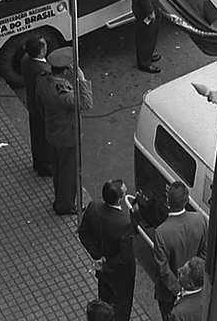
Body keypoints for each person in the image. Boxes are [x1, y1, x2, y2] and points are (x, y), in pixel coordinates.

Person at [37, 46, 93, 215]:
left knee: (58, 170)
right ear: (67, 70)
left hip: (52, 132)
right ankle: (66, 205)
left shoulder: (42, 81)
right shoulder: (63, 94)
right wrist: (82, 80)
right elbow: (86, 104)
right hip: (68, 138)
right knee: (69, 174)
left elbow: (39, 105)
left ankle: (60, 199)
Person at [78, 180, 135, 321]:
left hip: (104, 270)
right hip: (120, 275)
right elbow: (126, 258)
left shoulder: (94, 207)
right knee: (121, 305)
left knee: (104, 297)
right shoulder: (124, 224)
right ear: (120, 199)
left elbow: (83, 233)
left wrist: (97, 256)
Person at [153, 182, 207, 321]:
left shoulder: (161, 232)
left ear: (168, 201)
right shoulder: (200, 220)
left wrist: (179, 290)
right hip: (194, 288)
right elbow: (205, 253)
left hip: (168, 293)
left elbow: (163, 269)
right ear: (187, 200)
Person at [19, 35, 52, 177]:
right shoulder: (43, 70)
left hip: (32, 104)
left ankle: (38, 162)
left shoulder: (26, 60)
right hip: (41, 109)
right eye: (44, 46)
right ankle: (45, 167)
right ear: (40, 52)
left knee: (36, 136)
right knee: (44, 139)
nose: (46, 47)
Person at [132, 0, 162, 74]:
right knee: (146, 35)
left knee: (151, 33)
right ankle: (144, 63)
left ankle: (147, 55)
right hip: (145, 9)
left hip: (152, 4)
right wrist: (149, 11)